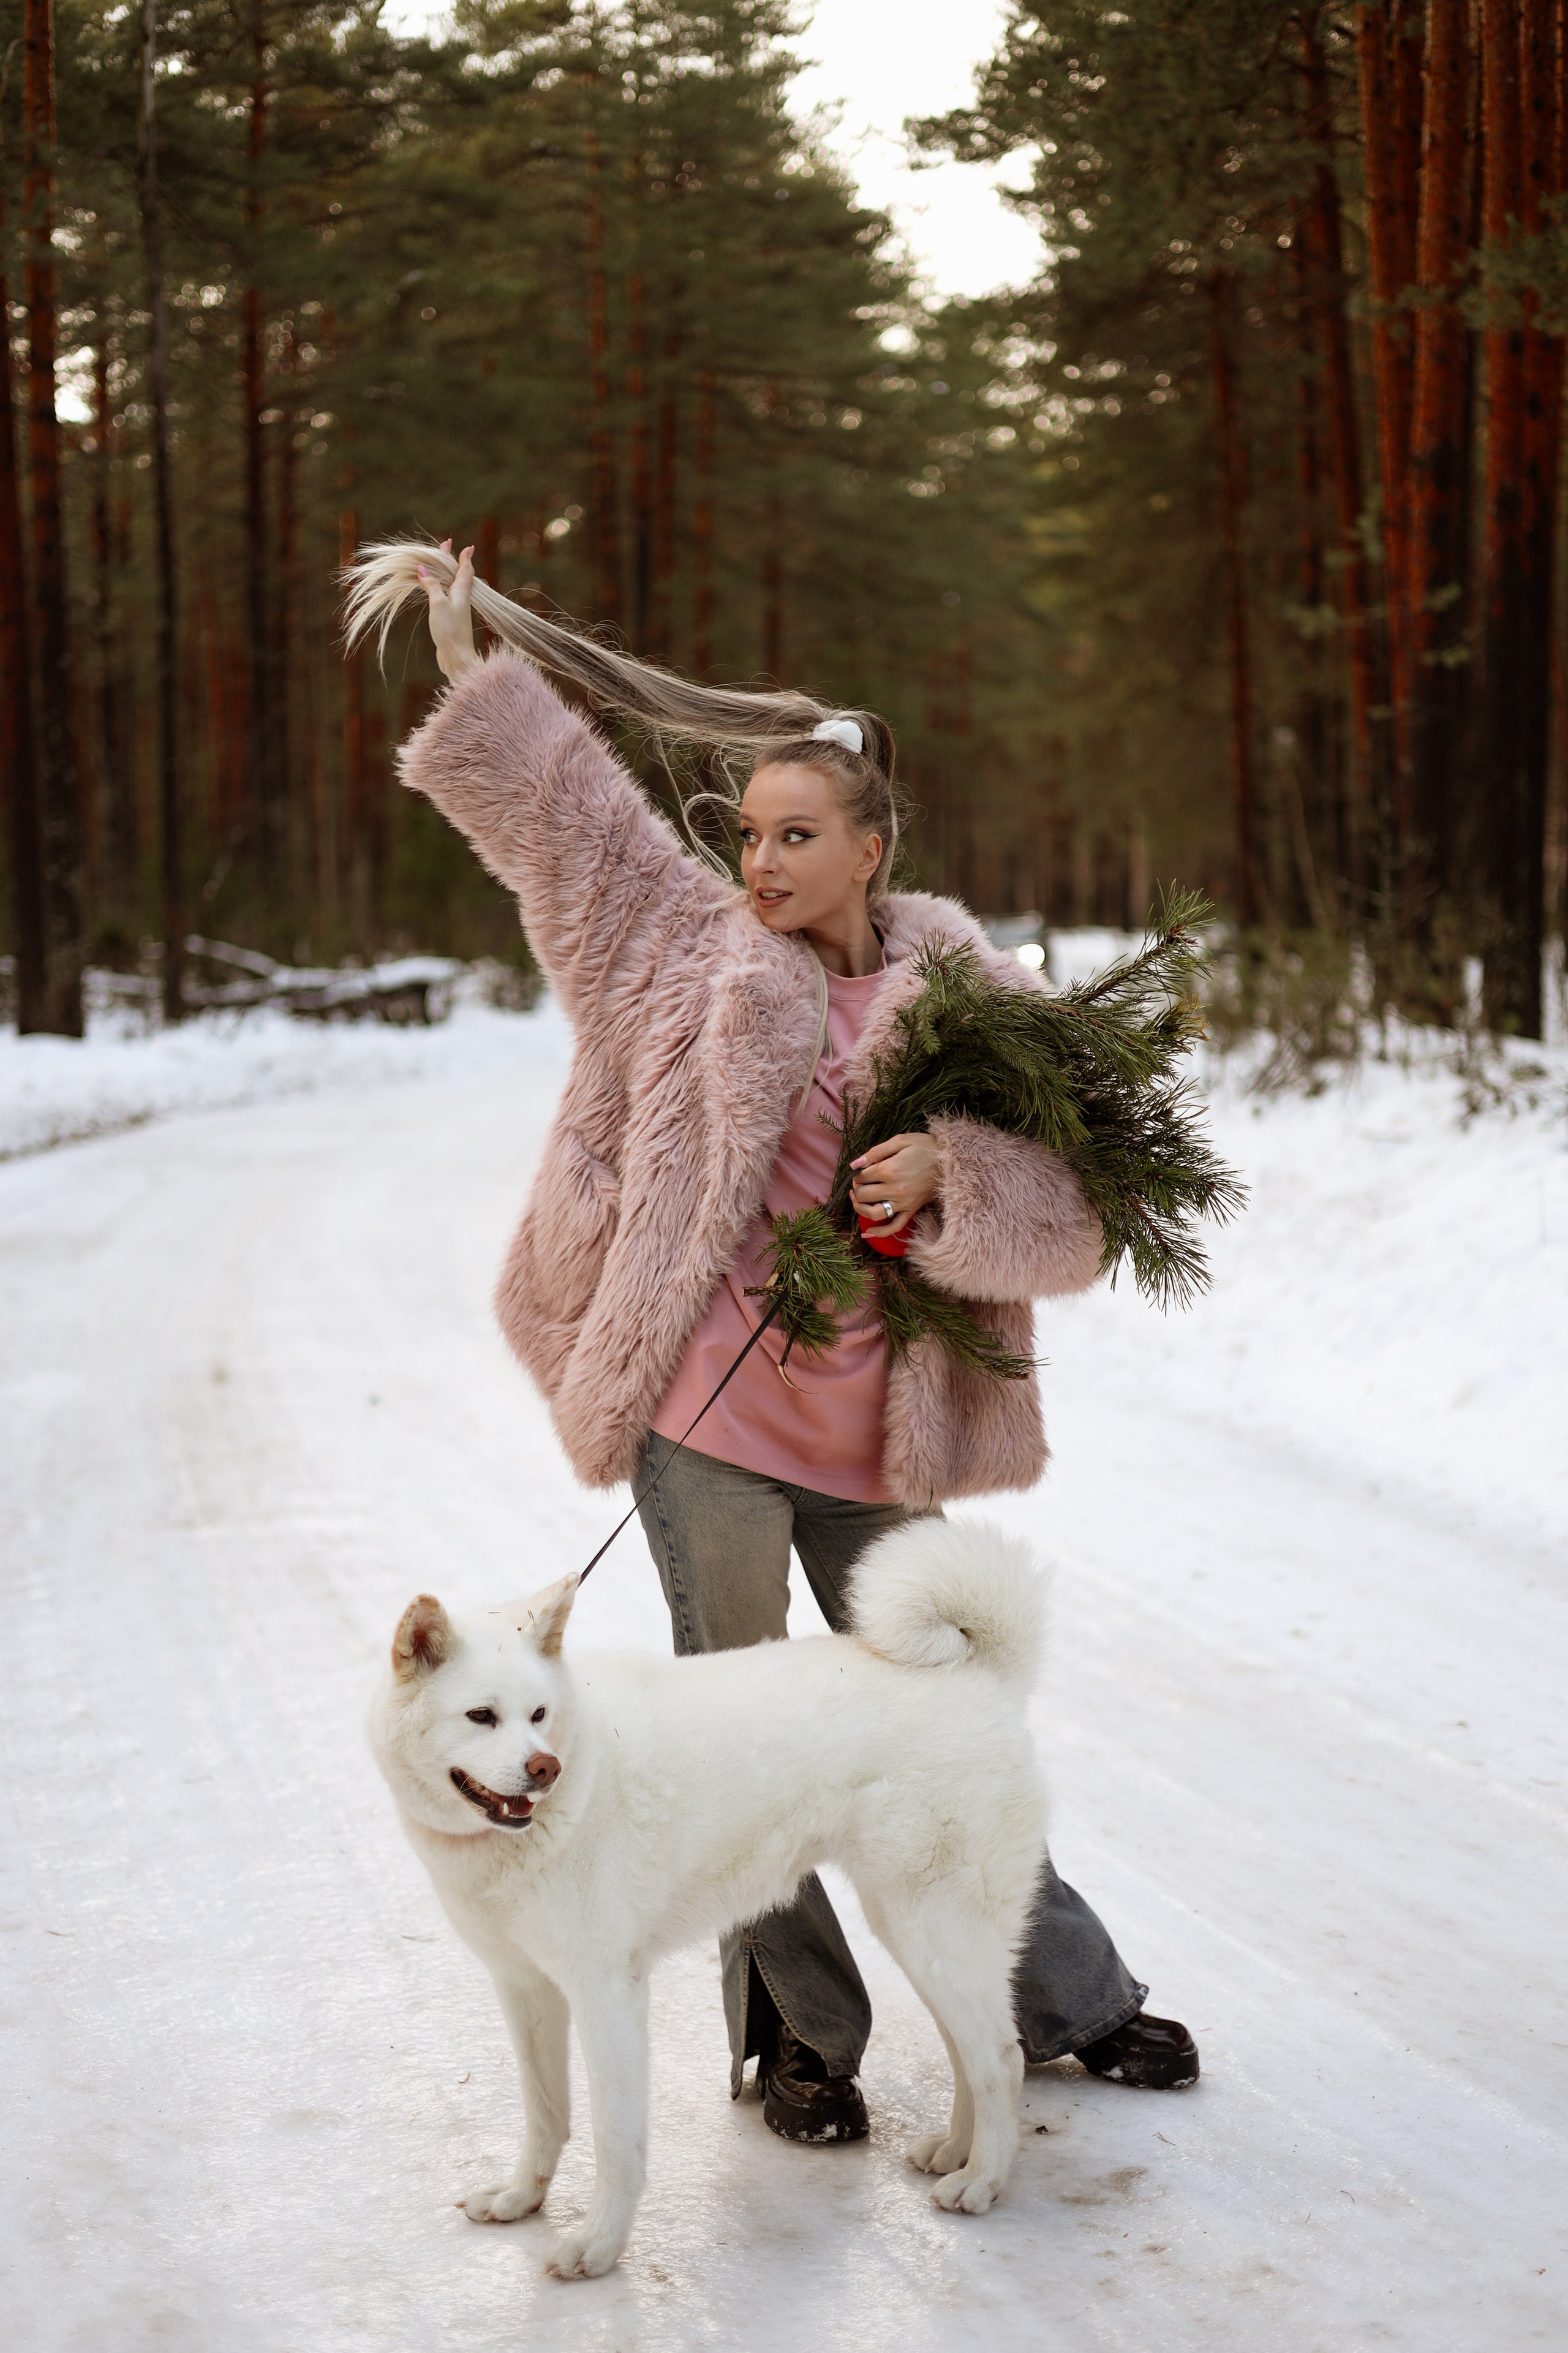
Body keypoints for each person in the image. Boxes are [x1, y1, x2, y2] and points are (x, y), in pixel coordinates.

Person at [348, 538, 1199, 2143]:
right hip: (711, 1432)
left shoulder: (966, 991)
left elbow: (1092, 1172)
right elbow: (569, 835)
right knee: (735, 1745)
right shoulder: (685, 950)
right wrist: (477, 665)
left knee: (939, 1717)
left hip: (882, 1434)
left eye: (800, 835)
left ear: (875, 847)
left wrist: (957, 1171)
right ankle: (800, 2042)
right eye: (750, 833)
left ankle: (1069, 2001)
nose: (765, 861)